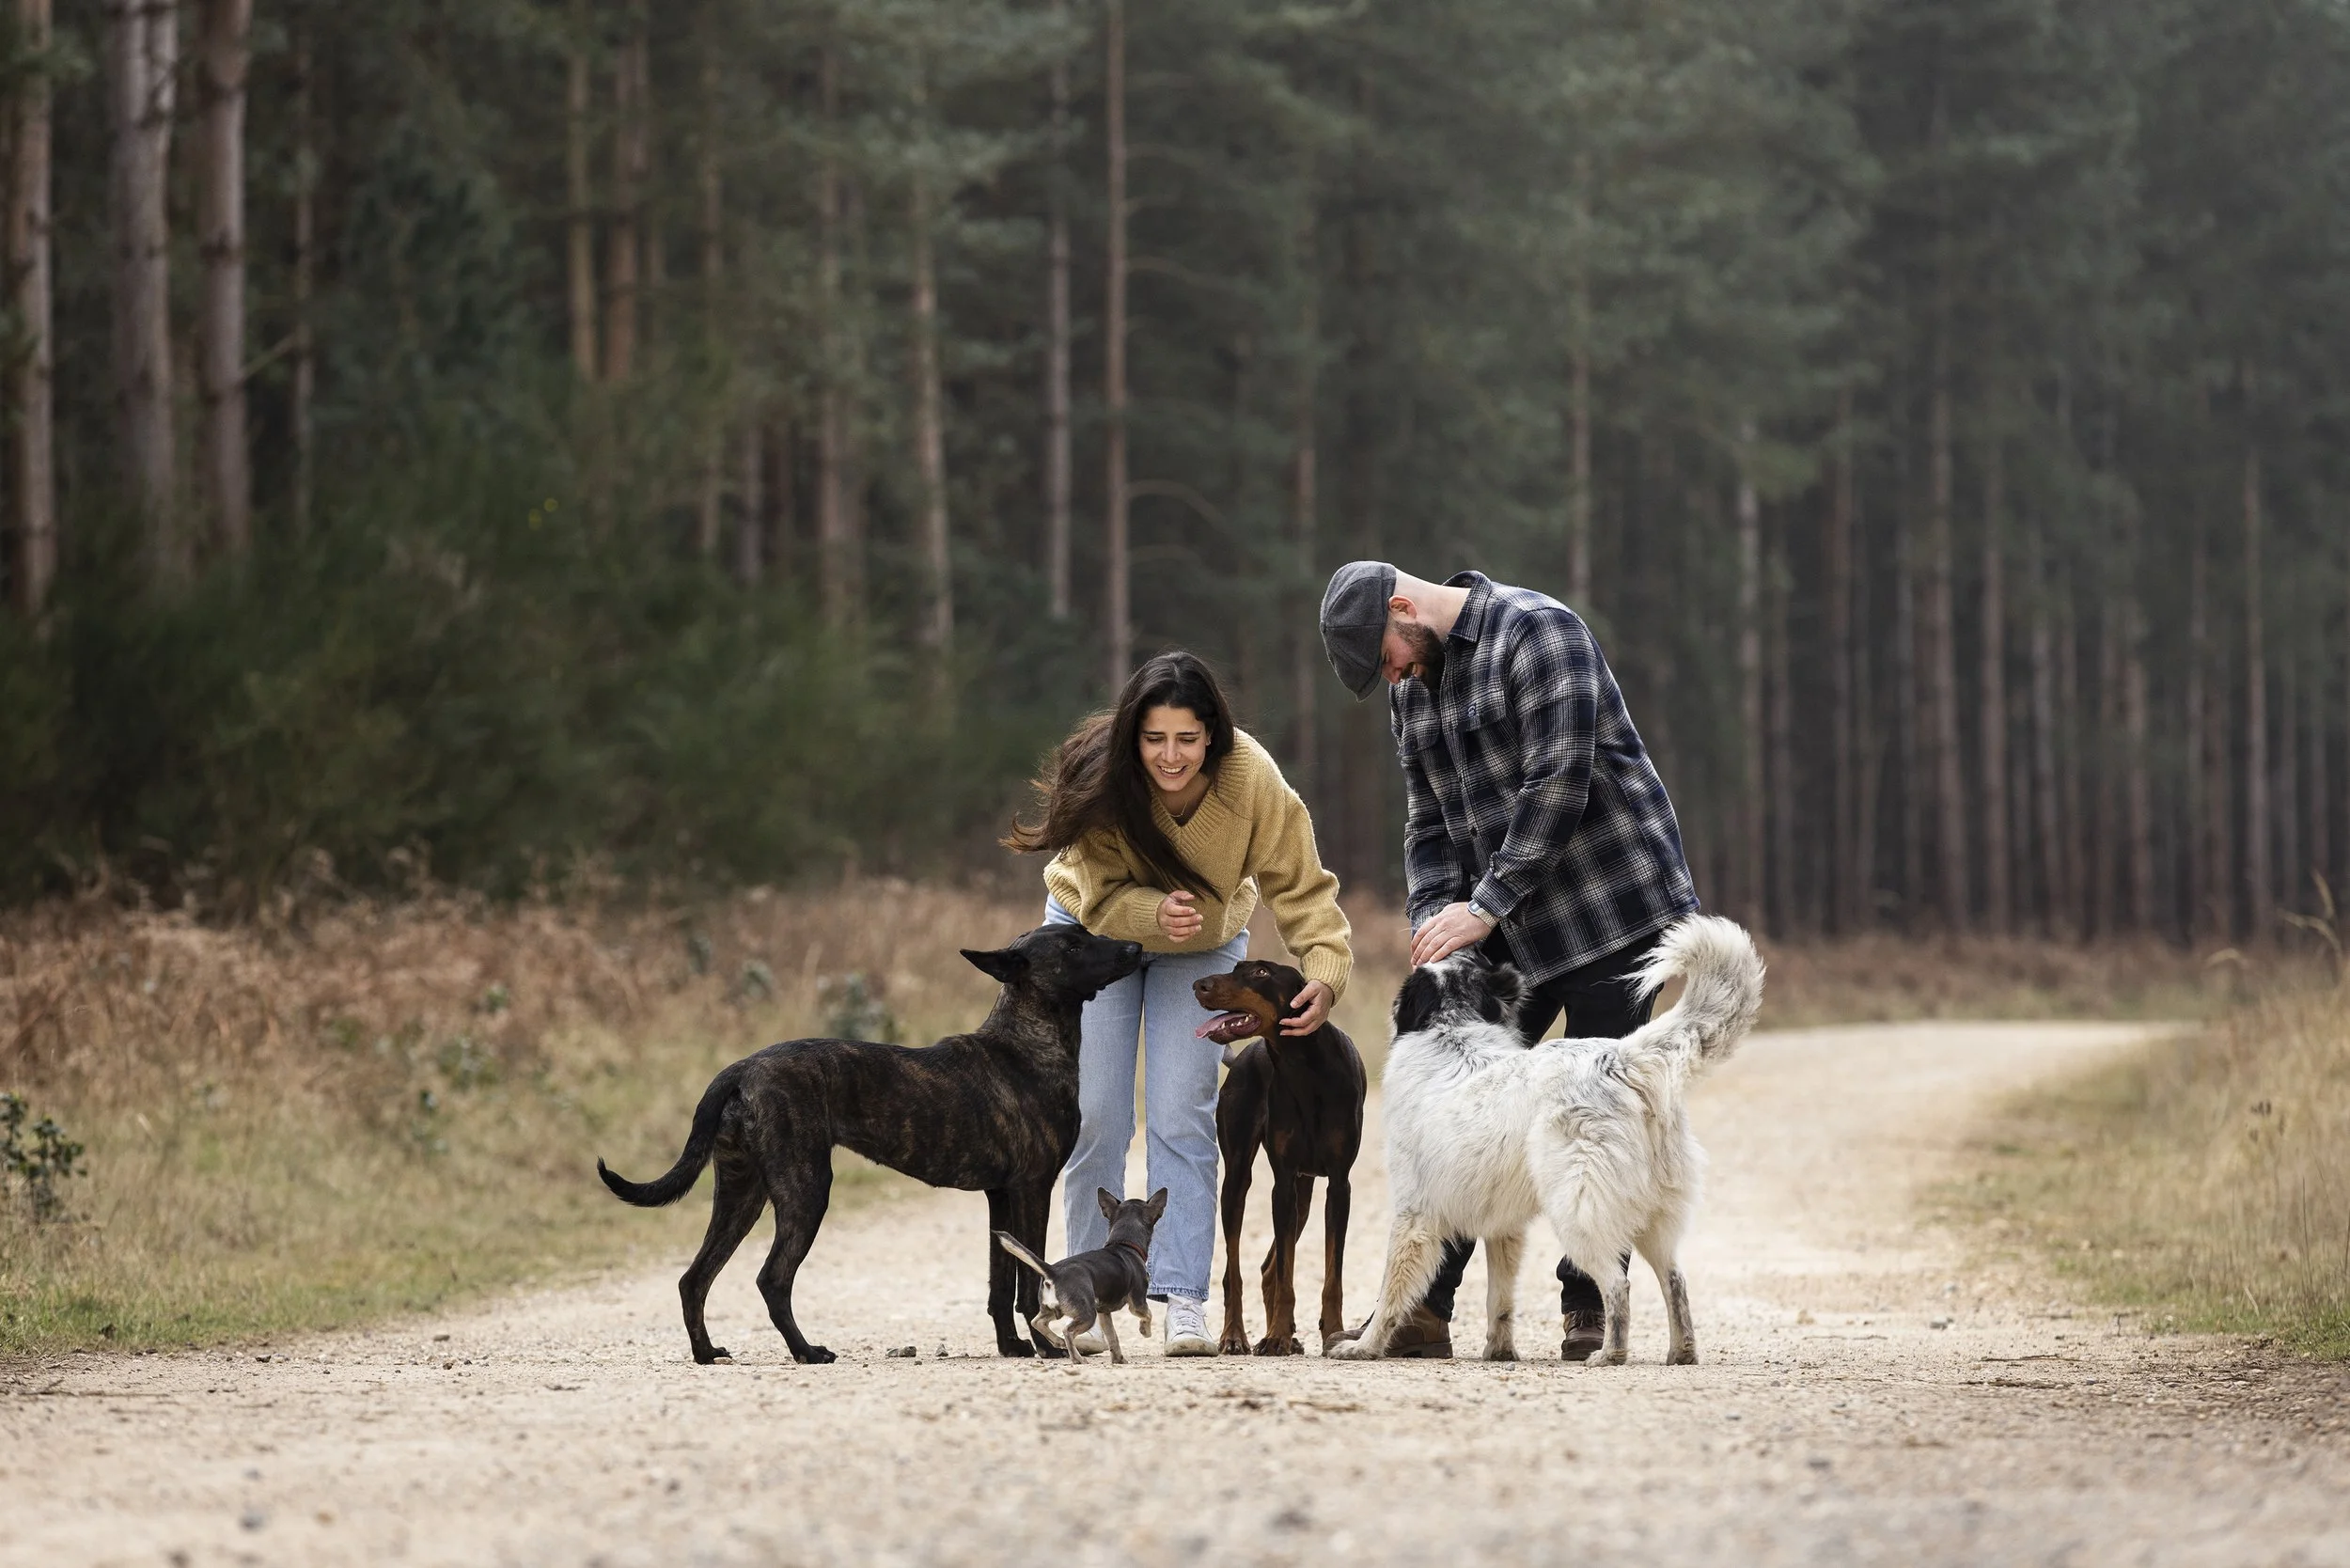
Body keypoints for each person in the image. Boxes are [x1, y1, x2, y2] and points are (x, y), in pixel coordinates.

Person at [1317, 561, 1700, 1360]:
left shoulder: (1539, 633)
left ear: (1402, 606)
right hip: (1507, 934)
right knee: (1471, 1114)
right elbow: (1427, 822)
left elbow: (1556, 784)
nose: (1394, 674)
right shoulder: (1410, 688)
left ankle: (1590, 1307)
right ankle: (1422, 1310)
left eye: (1386, 656)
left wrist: (1483, 906)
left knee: (1596, 1114)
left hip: (1610, 907)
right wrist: (1434, 929)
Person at [1006, 651, 1354, 1356]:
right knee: (1097, 1113)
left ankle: (1185, 1299)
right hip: (1089, 931)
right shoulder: (1104, 778)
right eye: (1155, 738)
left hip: (1202, 940)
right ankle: (1079, 1291)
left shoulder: (1251, 779)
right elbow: (1097, 895)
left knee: (1180, 1110)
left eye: (1187, 739)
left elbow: (1302, 884)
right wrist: (1150, 913)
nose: (1170, 756)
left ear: (1213, 736)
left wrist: (1325, 964)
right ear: (1134, 736)